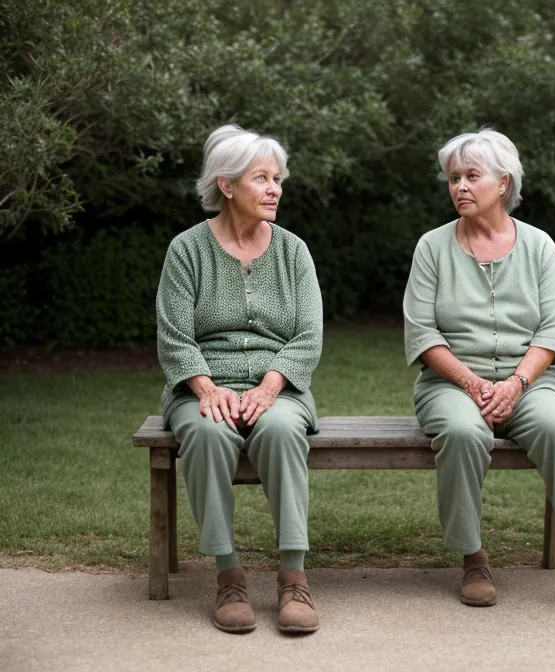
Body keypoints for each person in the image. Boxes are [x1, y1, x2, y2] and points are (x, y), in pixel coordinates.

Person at [403, 128, 555, 620]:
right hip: (449, 385)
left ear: (503, 182)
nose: (460, 186)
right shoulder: (432, 247)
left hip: (531, 383)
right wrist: (472, 384)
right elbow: (422, 334)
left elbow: (553, 329)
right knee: (463, 431)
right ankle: (473, 560)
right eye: (453, 178)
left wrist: (516, 383)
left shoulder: (539, 246)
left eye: (472, 176)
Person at [156, 124, 323, 634]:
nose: (275, 189)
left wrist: (270, 386)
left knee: (282, 429)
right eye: (262, 178)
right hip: (202, 386)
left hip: (281, 387)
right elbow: (174, 336)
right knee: (207, 432)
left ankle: (293, 577)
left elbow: (309, 335)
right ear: (226, 185)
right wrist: (206, 388)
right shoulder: (186, 250)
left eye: (278, 179)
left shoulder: (293, 251)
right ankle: (228, 575)